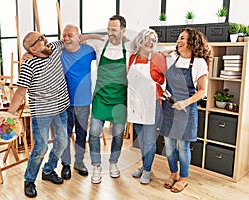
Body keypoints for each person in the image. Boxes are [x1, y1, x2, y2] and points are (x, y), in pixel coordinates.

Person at [7, 32, 70, 198]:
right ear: (33, 49)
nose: (45, 39)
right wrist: (8, 115)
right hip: (41, 114)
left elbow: (72, 39)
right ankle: (29, 180)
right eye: (41, 39)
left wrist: (98, 37)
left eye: (43, 36)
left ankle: (48, 170)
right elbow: (20, 93)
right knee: (41, 147)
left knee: (62, 142)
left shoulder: (54, 48)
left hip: (61, 108)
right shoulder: (28, 65)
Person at [161, 28, 211, 192]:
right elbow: (159, 51)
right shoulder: (174, 58)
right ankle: (173, 174)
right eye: (178, 38)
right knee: (168, 145)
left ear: (192, 41)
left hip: (186, 110)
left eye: (182, 38)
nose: (178, 41)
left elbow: (203, 91)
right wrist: (174, 48)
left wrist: (185, 103)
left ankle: (183, 179)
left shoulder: (199, 63)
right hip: (169, 109)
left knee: (182, 147)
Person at [86, 15, 131, 184]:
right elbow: (80, 39)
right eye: (108, 29)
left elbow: (148, 46)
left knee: (118, 135)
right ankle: (96, 166)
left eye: (114, 29)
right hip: (101, 97)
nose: (110, 33)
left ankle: (113, 163)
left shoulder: (130, 47)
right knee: (94, 133)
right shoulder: (100, 45)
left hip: (120, 98)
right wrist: (98, 36)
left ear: (123, 30)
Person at [127, 29, 166, 184]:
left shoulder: (157, 58)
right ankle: (144, 166)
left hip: (152, 104)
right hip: (136, 104)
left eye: (153, 39)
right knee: (141, 140)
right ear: (140, 41)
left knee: (149, 140)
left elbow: (163, 81)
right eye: (147, 39)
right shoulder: (132, 59)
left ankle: (148, 170)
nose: (150, 42)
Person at [59, 24, 96, 180]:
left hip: (84, 102)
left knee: (81, 134)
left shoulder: (88, 51)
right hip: (65, 102)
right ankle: (66, 164)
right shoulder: (59, 54)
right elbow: (40, 51)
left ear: (78, 37)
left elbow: (106, 51)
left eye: (70, 35)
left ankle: (79, 162)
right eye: (64, 35)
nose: (66, 38)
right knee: (65, 135)